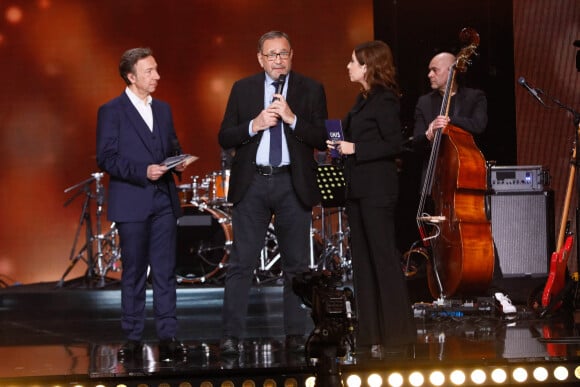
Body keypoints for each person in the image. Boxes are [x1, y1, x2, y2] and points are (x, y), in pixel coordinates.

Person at [218, 30, 328, 356]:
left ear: (292, 55)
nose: (278, 60)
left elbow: (322, 137)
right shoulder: (243, 89)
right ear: (260, 59)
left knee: (296, 266)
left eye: (283, 54)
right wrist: (254, 124)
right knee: (241, 264)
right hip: (252, 183)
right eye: (271, 55)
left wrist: (292, 119)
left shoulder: (310, 88)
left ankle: (295, 334)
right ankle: (231, 337)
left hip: (291, 182)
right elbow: (225, 136)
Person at [96, 47, 189, 362]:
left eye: (156, 69)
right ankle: (133, 336)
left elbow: (172, 144)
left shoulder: (163, 109)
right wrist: (142, 171)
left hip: (163, 200)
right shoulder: (112, 111)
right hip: (132, 201)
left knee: (165, 271)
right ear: (131, 76)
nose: (157, 76)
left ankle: (169, 335)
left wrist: (177, 161)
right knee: (134, 271)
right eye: (150, 71)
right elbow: (106, 157)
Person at [327, 40, 416, 356]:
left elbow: (395, 144)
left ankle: (398, 334)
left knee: (383, 259)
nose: (348, 66)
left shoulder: (385, 100)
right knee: (363, 263)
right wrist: (340, 147)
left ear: (367, 66)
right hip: (358, 190)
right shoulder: (361, 100)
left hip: (378, 190)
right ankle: (370, 334)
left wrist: (356, 149)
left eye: (353, 61)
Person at [412, 51, 487, 165]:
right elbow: (416, 143)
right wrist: (428, 135)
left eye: (435, 70)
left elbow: (478, 125)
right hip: (434, 170)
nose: (430, 75)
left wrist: (449, 121)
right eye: (429, 70)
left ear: (450, 71)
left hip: (467, 166)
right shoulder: (424, 102)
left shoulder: (475, 97)